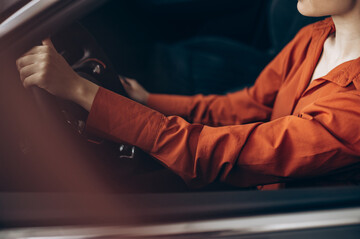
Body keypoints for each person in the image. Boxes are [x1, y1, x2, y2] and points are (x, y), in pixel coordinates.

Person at [16, 0, 360, 189]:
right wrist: (146, 100)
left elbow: (213, 155)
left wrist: (80, 91)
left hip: (283, 216)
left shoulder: (353, 107)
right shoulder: (315, 36)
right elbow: (247, 106)